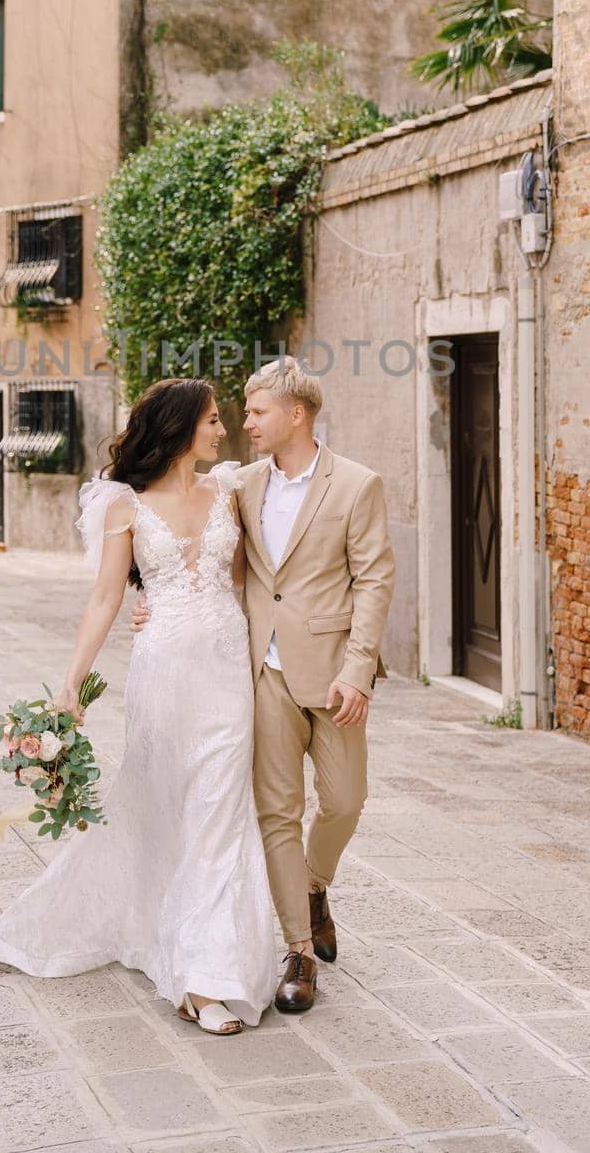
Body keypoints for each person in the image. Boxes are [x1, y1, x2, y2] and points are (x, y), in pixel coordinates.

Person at [0, 377, 275, 1036]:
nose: (222, 429)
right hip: (164, 673)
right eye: (209, 420)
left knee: (220, 813)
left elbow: (242, 577)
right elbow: (105, 598)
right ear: (177, 428)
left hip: (227, 671)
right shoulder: (125, 506)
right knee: (162, 805)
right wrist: (69, 685)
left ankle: (203, 977)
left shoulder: (229, 488)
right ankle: (162, 931)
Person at [133, 359, 395, 1014]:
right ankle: (298, 953)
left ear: (295, 414)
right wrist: (153, 605)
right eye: (239, 413)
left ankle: (312, 884)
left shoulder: (357, 485)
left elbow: (374, 580)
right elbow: (194, 550)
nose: (244, 422)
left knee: (343, 801)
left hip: (333, 673)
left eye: (255, 411)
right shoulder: (236, 485)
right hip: (256, 674)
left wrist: (357, 670)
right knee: (275, 814)